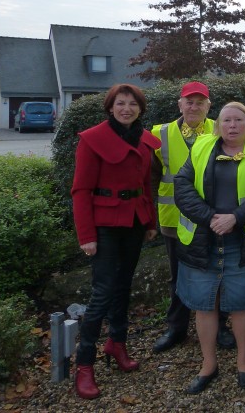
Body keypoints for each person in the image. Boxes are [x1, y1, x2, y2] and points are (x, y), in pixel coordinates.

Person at [174, 102, 245, 393]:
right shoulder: (201, 148)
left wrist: (236, 218)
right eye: (226, 120)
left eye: (238, 120)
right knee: (205, 305)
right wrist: (211, 219)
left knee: (242, 304)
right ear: (218, 124)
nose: (232, 125)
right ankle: (209, 365)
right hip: (204, 240)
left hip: (244, 241)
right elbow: (182, 185)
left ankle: (243, 362)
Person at [71, 84, 161, 400]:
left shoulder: (145, 140)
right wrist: (87, 236)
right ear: (110, 107)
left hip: (135, 222)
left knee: (124, 287)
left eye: (132, 104)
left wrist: (149, 221)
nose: (126, 108)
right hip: (105, 225)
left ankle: (117, 344)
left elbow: (145, 185)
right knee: (102, 293)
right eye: (120, 103)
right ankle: (84, 365)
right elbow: (81, 191)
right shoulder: (92, 140)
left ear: (140, 108)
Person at [150, 81, 235, 353]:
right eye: (189, 101)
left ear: (209, 106)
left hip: (212, 218)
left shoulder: (222, 129)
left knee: (218, 272)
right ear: (179, 104)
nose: (194, 106)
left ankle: (220, 325)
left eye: (200, 102)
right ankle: (176, 327)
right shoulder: (159, 134)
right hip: (174, 219)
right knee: (178, 275)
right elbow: (149, 179)